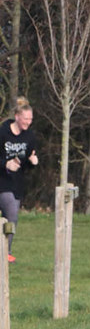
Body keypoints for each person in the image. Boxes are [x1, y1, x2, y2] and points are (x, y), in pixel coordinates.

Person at [0, 97, 40, 264]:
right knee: (10, 212)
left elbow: (28, 160)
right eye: (25, 119)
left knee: (12, 218)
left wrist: (33, 163)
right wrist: (6, 164)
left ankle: (5, 252)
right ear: (17, 116)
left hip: (15, 184)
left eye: (30, 120)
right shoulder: (2, 133)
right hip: (1, 181)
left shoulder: (29, 137)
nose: (28, 123)